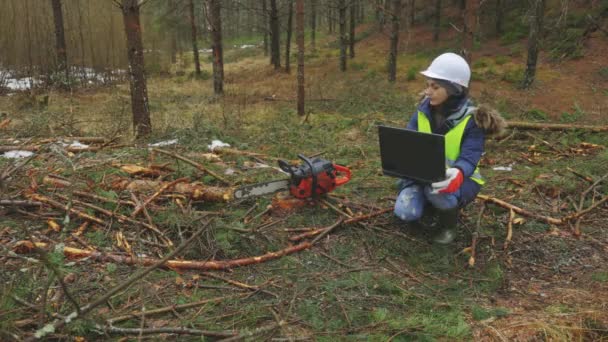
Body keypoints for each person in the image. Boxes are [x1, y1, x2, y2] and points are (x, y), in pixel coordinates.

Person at [394, 52, 506, 244]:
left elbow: (471, 156)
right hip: (423, 175)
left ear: (454, 89)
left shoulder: (472, 121)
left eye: (435, 87)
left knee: (436, 192)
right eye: (428, 85)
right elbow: (409, 142)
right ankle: (427, 208)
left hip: (459, 181)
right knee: (405, 212)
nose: (428, 91)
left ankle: (448, 225)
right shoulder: (422, 111)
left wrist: (459, 172)